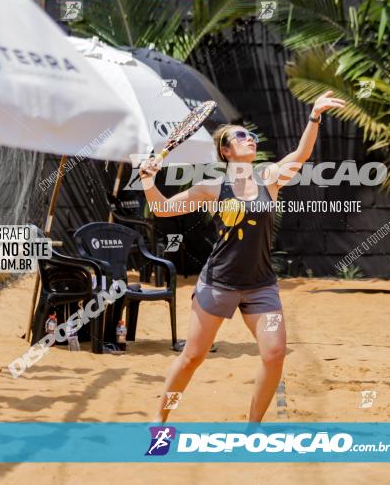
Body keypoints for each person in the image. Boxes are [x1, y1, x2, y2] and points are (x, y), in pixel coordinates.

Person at [139, 91, 345, 423]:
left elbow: (302, 154)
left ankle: (252, 428)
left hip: (261, 285)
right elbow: (163, 208)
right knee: (192, 357)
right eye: (239, 136)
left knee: (275, 354)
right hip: (218, 283)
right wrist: (149, 182)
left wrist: (315, 115)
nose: (248, 139)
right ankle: (159, 422)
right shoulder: (212, 187)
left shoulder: (269, 179)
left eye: (250, 135)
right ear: (225, 151)